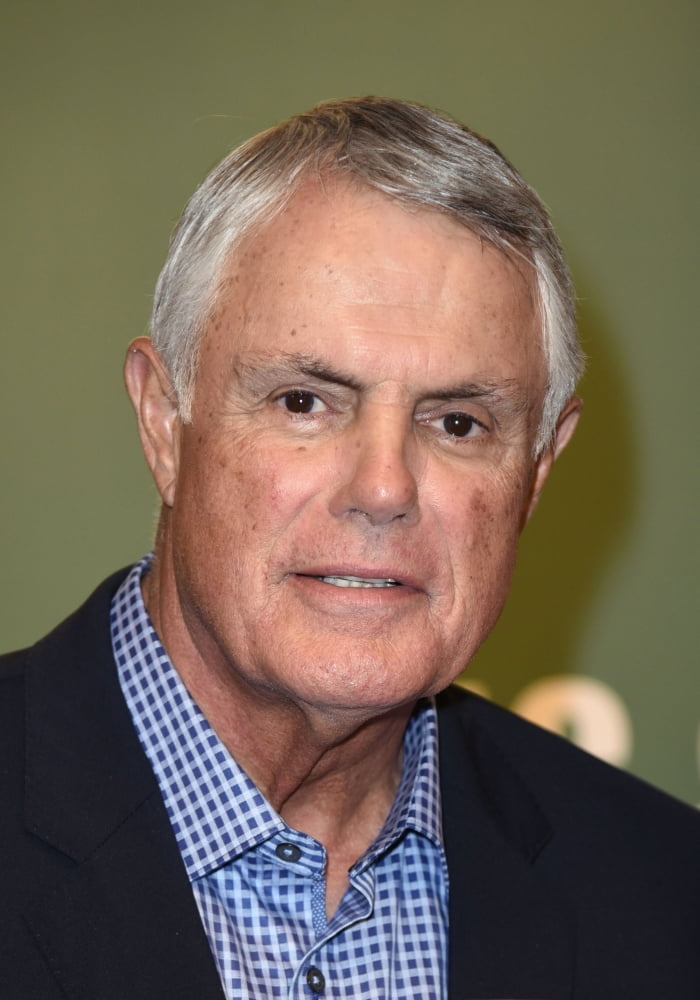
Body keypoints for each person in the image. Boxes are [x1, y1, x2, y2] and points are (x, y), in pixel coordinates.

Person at [1, 97, 697, 1000]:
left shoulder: (667, 901)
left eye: (458, 422)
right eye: (304, 402)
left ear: (537, 469)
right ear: (164, 422)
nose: (383, 488)